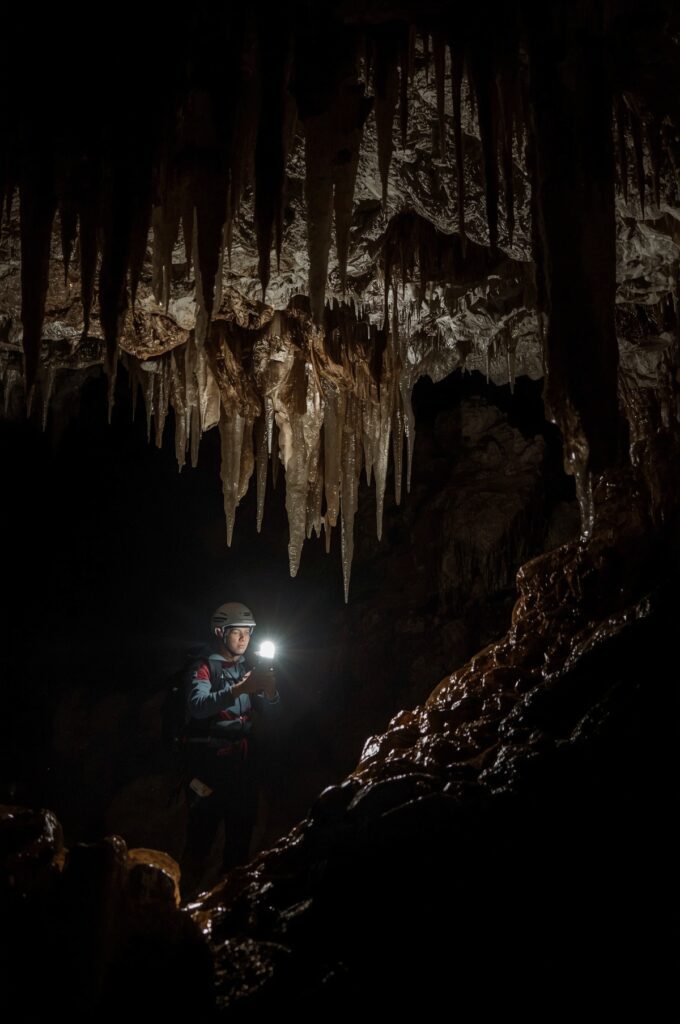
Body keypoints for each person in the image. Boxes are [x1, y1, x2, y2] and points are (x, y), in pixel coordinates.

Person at [180, 601, 280, 898]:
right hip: (209, 765)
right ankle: (181, 901)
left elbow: (273, 714)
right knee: (200, 838)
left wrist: (271, 691)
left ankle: (231, 903)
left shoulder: (249, 668)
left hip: (242, 764)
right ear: (220, 632)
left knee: (240, 838)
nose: (243, 640)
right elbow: (198, 707)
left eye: (248, 634)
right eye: (237, 633)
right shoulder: (203, 666)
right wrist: (239, 690)